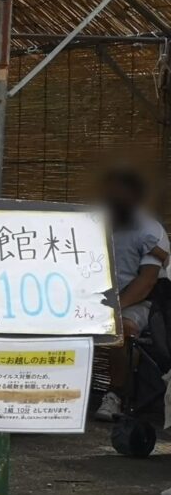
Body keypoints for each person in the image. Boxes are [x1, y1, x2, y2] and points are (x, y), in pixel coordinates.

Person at [94, 165, 168, 421]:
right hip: (93, 295)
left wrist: (114, 308)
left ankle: (115, 394)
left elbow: (147, 281)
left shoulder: (149, 231)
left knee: (121, 328)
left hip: (138, 301)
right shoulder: (93, 224)